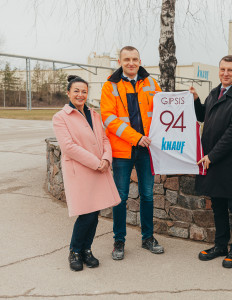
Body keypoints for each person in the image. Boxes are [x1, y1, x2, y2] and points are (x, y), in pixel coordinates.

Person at [189, 55, 232, 268]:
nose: (225, 74)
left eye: (230, 70)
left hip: (230, 163)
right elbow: (204, 115)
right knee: (217, 205)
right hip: (212, 160)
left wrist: (212, 155)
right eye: (223, 69)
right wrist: (196, 100)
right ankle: (220, 246)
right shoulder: (216, 92)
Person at [53, 75, 121, 271]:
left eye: (84, 91)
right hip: (81, 171)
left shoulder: (94, 114)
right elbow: (68, 147)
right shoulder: (60, 117)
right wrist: (96, 162)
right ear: (68, 93)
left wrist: (107, 158)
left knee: (95, 212)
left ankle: (86, 250)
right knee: (87, 214)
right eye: (76, 91)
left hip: (99, 169)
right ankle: (75, 251)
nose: (80, 95)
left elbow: (105, 139)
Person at [101, 46, 163, 260]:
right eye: (126, 59)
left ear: (140, 60)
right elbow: (109, 119)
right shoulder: (110, 86)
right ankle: (119, 241)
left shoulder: (152, 83)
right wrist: (136, 137)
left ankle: (148, 238)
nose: (131, 63)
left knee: (147, 195)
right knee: (121, 197)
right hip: (122, 150)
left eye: (134, 59)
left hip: (147, 150)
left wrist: (187, 100)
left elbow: (165, 111)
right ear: (120, 60)